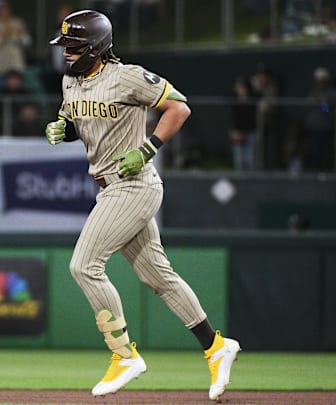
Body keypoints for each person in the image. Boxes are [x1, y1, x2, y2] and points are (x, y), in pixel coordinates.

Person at [44, 10, 241, 401]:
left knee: (84, 265)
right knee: (159, 277)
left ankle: (124, 355)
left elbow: (179, 107)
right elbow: (76, 123)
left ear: (96, 47)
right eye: (65, 45)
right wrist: (62, 131)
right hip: (109, 185)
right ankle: (216, 346)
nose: (67, 53)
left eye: (75, 45)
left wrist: (148, 148)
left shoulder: (127, 75)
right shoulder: (71, 82)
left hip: (133, 184)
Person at [0, 0, 31, 92]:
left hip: (16, 66)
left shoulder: (18, 22)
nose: (4, 11)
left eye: (5, 9)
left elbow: (27, 42)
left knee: (19, 95)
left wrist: (21, 34)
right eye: (1, 9)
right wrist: (3, 35)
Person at [229, 76, 257, 171]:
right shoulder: (234, 98)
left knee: (250, 158)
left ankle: (250, 182)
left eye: (242, 87)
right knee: (239, 159)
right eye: (238, 87)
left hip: (250, 131)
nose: (240, 89)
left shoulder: (253, 98)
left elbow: (259, 94)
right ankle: (239, 182)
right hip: (238, 131)